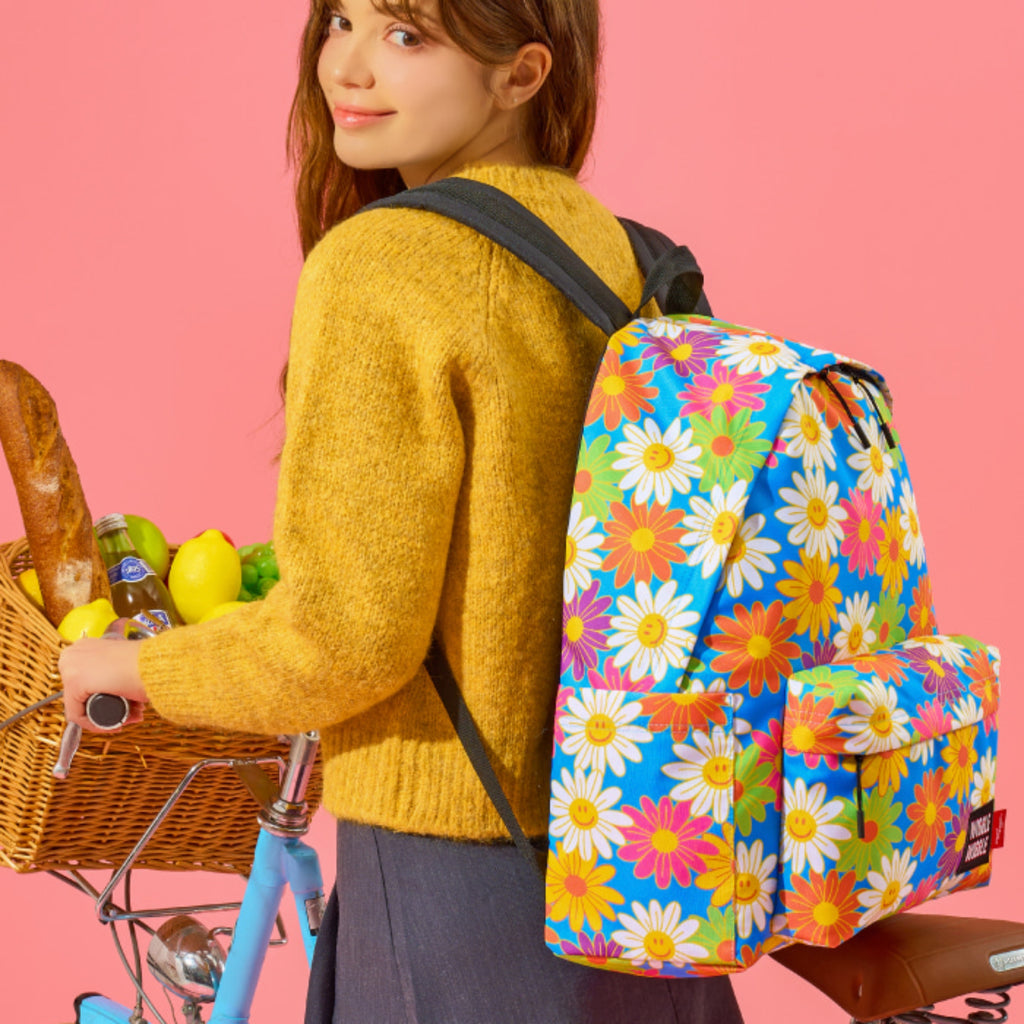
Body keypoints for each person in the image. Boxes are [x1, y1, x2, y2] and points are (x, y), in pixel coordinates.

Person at [60, 1, 744, 1020]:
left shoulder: (381, 264)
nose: (349, 66)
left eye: (407, 35)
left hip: (462, 877)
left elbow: (344, 637)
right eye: (342, 20)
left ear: (521, 75)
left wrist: (130, 668)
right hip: (648, 857)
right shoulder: (620, 253)